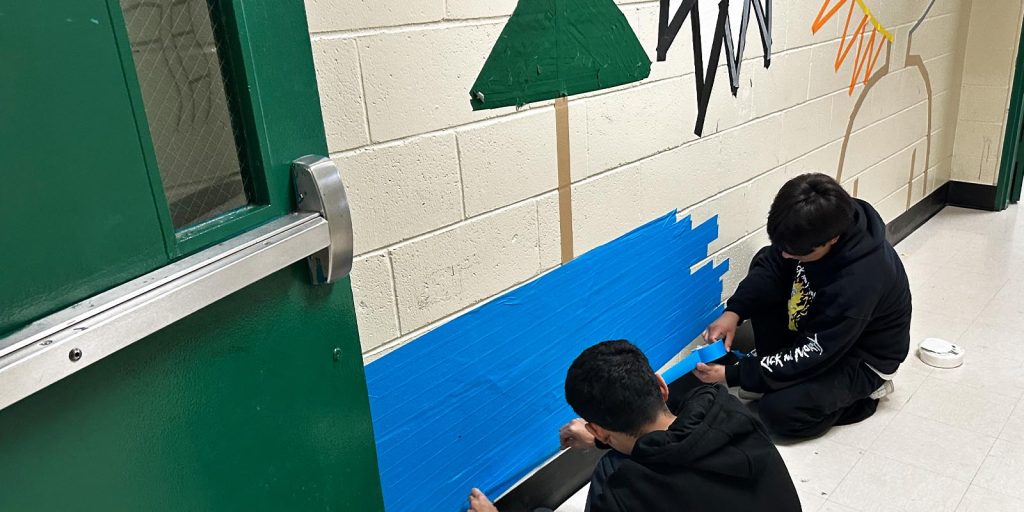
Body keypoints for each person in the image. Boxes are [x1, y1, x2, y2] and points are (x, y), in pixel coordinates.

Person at [693, 173, 912, 438]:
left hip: (858, 358)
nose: (786, 255)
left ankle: (862, 398)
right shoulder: (820, 218)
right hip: (826, 330)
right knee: (766, 261)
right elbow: (774, 263)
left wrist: (736, 375)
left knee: (779, 413)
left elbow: (816, 351)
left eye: (797, 253)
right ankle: (776, 371)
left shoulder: (859, 281)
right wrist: (734, 311)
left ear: (832, 239)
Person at [468, 340, 800, 512]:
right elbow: (675, 442)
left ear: (599, 429)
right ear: (662, 386)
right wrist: (602, 439)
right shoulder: (732, 414)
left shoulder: (624, 490)